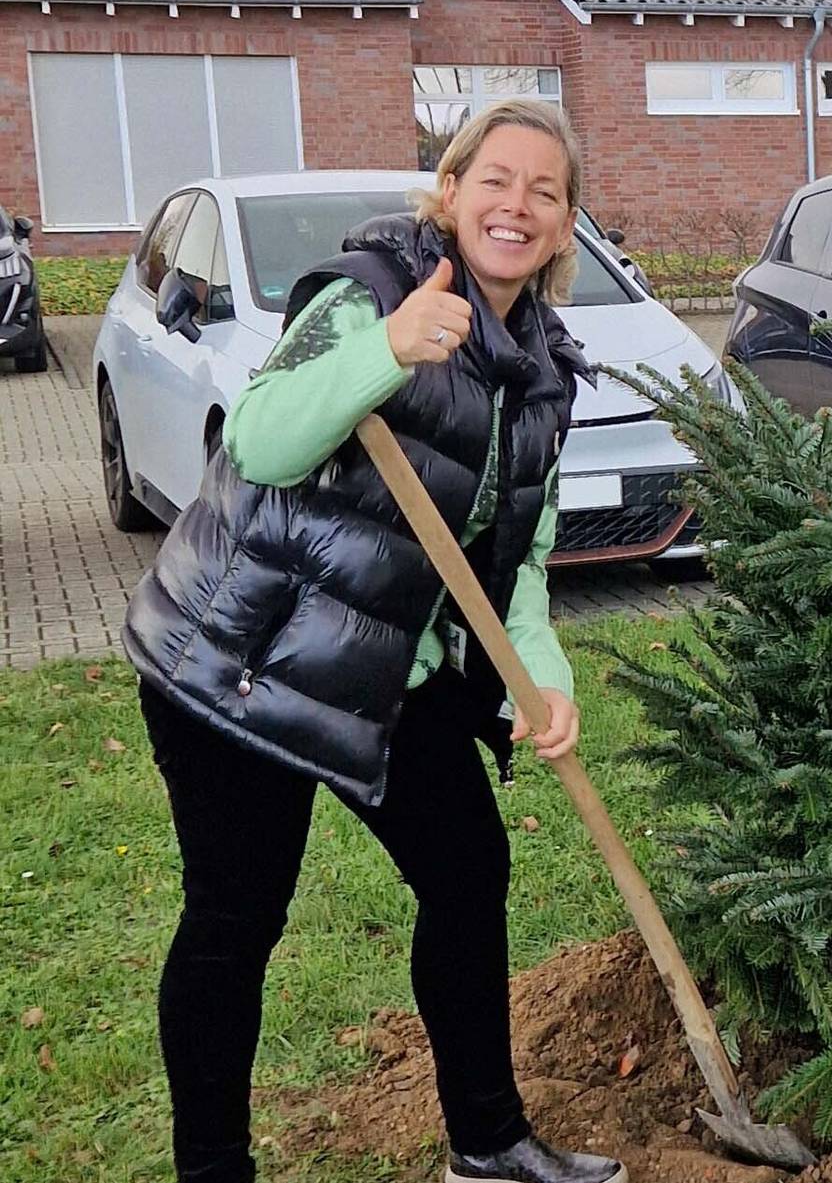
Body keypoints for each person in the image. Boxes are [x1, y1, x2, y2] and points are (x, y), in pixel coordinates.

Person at [124, 100, 623, 1183]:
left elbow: (518, 560)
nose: (517, 205)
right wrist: (387, 352)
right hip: (244, 657)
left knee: (468, 869)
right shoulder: (369, 293)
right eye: (496, 179)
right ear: (451, 191)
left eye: (545, 191)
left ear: (565, 224)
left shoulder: (542, 370)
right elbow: (261, 438)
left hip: (388, 665)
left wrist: (541, 678)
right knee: (237, 915)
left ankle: (487, 1142)